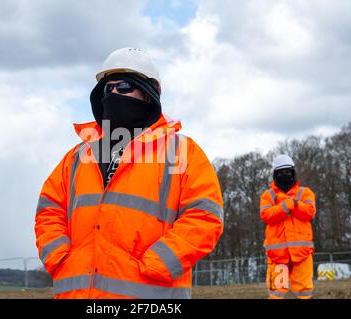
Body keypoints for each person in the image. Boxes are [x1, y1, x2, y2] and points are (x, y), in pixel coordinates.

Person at [35, 48, 224, 299]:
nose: (113, 93)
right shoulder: (78, 156)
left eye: (123, 86)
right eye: (107, 88)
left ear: (147, 94)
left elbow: (205, 216)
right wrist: (61, 258)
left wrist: (159, 262)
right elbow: (49, 209)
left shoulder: (182, 152)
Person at [260, 154, 316, 299]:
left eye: (287, 172)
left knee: (304, 292)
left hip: (301, 254)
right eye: (280, 173)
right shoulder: (268, 195)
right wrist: (287, 205)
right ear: (274, 175)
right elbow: (266, 215)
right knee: (276, 294)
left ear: (293, 173)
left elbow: (309, 212)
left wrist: (294, 204)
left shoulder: (305, 192)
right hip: (278, 256)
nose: (284, 175)